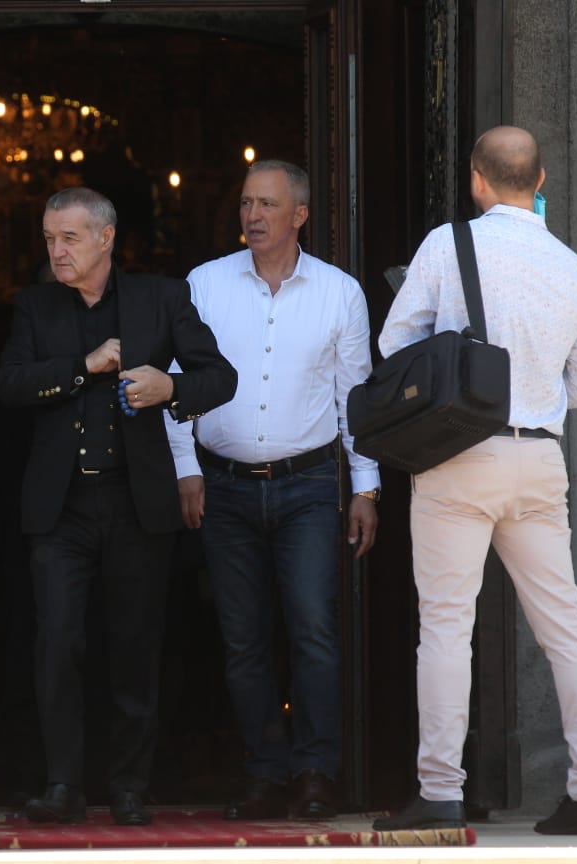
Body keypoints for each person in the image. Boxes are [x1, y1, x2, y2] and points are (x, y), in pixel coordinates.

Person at [371, 126, 577, 835]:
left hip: (459, 454)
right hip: (538, 459)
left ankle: (440, 791)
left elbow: (393, 343)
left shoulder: (448, 246)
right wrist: (535, 389)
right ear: (539, 182)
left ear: (477, 180)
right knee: (567, 628)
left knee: (448, 627)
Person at [0, 186, 237, 826]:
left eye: (69, 238)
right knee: (57, 644)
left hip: (136, 503)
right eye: (49, 239)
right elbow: (10, 384)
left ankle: (130, 785)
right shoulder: (35, 306)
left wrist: (169, 387)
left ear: (106, 237)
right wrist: (84, 366)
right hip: (62, 508)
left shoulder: (162, 298)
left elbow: (221, 378)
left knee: (135, 645)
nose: (56, 250)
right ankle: (62, 784)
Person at [167, 159, 379, 821]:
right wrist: (186, 468)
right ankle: (264, 772)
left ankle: (315, 772)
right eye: (246, 203)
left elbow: (355, 398)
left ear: (300, 215)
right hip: (223, 486)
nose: (253, 216)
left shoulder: (339, 293)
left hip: (308, 485)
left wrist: (366, 487)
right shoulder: (205, 284)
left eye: (267, 204)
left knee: (313, 628)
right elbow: (178, 382)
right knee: (243, 639)